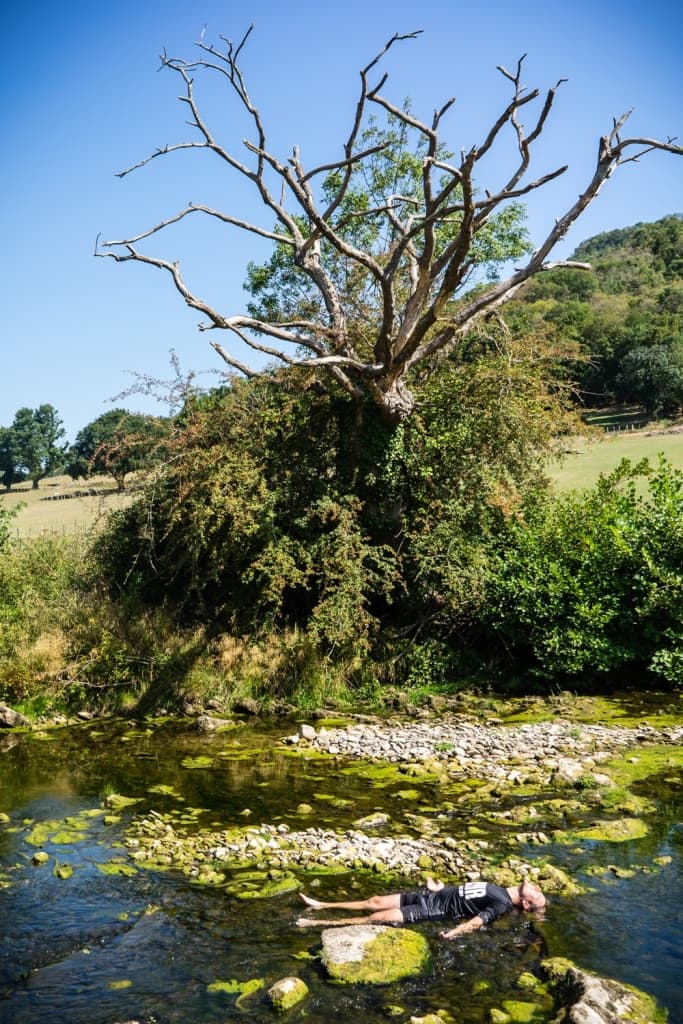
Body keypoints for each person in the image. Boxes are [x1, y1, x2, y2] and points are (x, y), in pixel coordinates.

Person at [297, 876, 546, 939]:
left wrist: (454, 933)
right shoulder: (501, 890)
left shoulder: (501, 904)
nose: (538, 889)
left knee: (375, 917)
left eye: (537, 895)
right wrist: (441, 888)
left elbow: (478, 920)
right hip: (429, 895)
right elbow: (468, 894)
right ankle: (322, 905)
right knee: (374, 900)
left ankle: (319, 924)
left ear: (525, 903)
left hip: (430, 910)